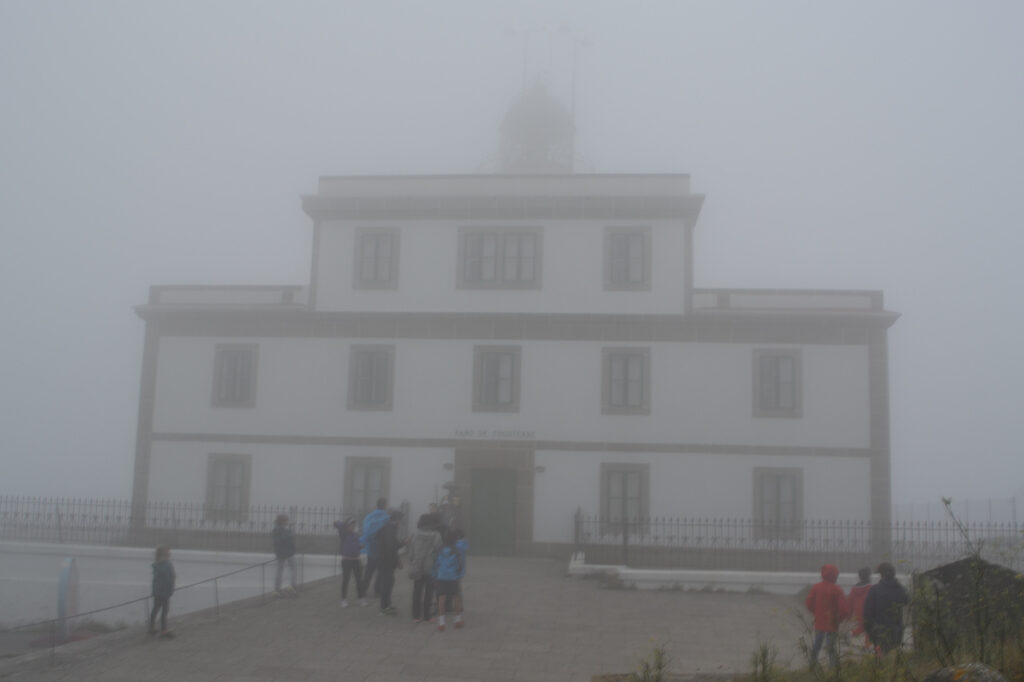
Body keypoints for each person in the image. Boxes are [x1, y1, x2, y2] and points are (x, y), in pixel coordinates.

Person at [805, 564, 849, 667]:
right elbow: (844, 609)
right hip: (833, 622)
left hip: (819, 621)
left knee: (817, 643)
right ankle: (833, 667)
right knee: (831, 646)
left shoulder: (816, 587)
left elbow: (808, 603)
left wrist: (815, 612)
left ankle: (813, 663)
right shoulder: (837, 589)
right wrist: (840, 619)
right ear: (835, 575)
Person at [863, 562, 909, 654]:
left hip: (879, 633)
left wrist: (869, 631)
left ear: (882, 575)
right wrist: (897, 584)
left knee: (881, 661)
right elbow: (907, 600)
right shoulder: (900, 590)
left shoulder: (875, 590)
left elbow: (867, 614)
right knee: (893, 658)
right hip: (896, 633)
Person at [407, 513, 442, 623]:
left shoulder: (415, 534)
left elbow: (411, 552)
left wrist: (413, 561)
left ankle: (416, 616)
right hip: (430, 566)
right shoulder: (436, 535)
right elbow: (439, 550)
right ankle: (427, 616)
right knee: (429, 592)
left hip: (417, 566)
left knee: (417, 591)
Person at [434, 530, 464, 631]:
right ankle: (457, 621)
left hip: (441, 577)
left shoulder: (439, 549)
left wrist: (436, 575)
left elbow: (436, 564)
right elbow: (460, 564)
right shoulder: (457, 550)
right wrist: (458, 574)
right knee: (456, 597)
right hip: (453, 577)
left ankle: (441, 623)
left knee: (441, 599)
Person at [359, 498, 390, 597]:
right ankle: (377, 591)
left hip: (371, 547)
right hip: (381, 548)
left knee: (369, 570)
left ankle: (363, 591)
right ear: (385, 505)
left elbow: (365, 530)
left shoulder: (369, 517)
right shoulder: (386, 517)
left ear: (377, 505)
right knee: (380, 572)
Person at [333, 517, 367, 607]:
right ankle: (343, 600)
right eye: (351, 524)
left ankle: (361, 598)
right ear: (347, 525)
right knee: (346, 580)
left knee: (359, 580)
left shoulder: (356, 535)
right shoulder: (343, 533)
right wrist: (343, 523)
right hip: (346, 560)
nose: (353, 526)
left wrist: (360, 546)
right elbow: (336, 524)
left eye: (353, 525)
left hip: (356, 560)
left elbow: (356, 546)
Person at [375, 509, 403, 615]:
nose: (400, 523)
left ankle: (387, 604)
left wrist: (403, 543)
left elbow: (392, 546)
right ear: (396, 520)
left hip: (384, 560)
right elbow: (390, 547)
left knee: (389, 583)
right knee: (387, 583)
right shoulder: (390, 530)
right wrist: (397, 560)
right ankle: (384, 606)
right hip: (385, 561)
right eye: (400, 520)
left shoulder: (389, 529)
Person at [149, 546, 176, 638]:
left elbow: (155, 580)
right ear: (166, 554)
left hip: (157, 591)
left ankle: (151, 628)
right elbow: (170, 578)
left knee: (155, 609)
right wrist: (171, 589)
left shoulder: (157, 565)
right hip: (165, 591)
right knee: (165, 611)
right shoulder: (167, 564)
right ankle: (164, 631)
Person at [847, 567, 873, 649]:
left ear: (859, 577)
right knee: (869, 629)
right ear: (869, 576)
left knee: (862, 627)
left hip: (858, 612)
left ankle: (850, 634)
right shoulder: (870, 588)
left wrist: (849, 614)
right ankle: (867, 646)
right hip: (868, 611)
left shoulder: (854, 589)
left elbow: (850, 602)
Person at [272, 514, 298, 596]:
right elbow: (288, 538)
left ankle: (277, 588)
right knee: (293, 568)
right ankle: (292, 586)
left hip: (279, 552)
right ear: (283, 521)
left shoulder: (275, 530)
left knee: (279, 570)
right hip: (288, 552)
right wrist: (290, 530)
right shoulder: (285, 530)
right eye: (286, 520)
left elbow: (276, 542)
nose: (287, 522)